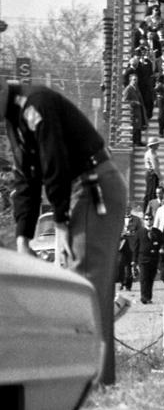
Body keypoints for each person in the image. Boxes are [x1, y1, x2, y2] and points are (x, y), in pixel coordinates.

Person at [3, 80, 130, 385]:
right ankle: (96, 378)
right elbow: (25, 178)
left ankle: (88, 380)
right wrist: (23, 236)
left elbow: (53, 162)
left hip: (91, 186)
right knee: (88, 287)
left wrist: (59, 223)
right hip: (83, 188)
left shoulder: (35, 104)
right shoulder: (14, 118)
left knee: (84, 286)